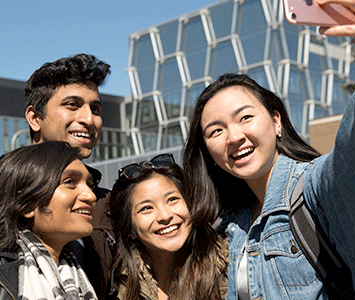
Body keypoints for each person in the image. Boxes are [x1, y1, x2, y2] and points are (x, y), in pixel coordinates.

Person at [182, 0, 355, 298]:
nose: (234, 136)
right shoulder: (229, 224)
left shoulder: (317, 193)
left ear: (276, 121)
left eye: (245, 117)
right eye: (215, 131)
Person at [24, 53, 114, 299]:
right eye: (72, 105)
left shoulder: (108, 204)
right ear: (34, 118)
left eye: (94, 108)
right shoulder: (5, 192)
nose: (88, 119)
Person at [109, 154, 228, 300]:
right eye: (146, 208)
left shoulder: (230, 266)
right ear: (130, 228)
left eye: (172, 199)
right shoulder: (117, 286)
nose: (164, 216)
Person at [0, 141, 97, 300]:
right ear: (27, 205)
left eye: (89, 184)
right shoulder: (5, 274)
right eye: (70, 182)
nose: (90, 196)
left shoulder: (86, 270)